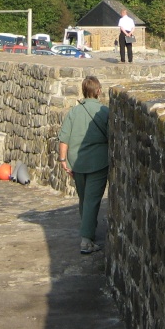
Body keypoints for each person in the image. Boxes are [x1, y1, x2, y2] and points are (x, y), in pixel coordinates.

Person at [57, 76, 109, 254]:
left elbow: (64, 138)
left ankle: (88, 232)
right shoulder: (104, 111)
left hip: (76, 162)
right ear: (98, 90)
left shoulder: (74, 112)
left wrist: (63, 161)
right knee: (92, 200)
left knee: (84, 199)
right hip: (98, 161)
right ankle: (86, 240)